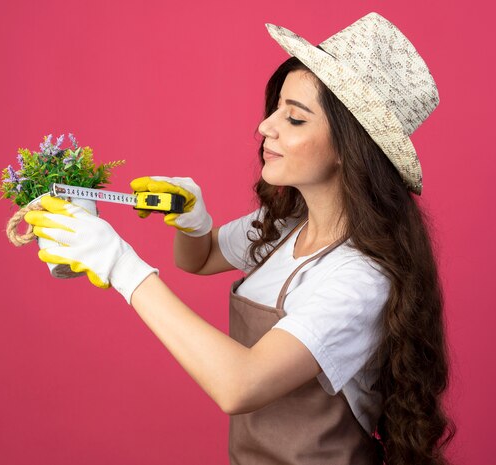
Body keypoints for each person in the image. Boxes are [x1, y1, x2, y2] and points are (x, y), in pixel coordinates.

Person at [25, 11, 454, 465]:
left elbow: (240, 384)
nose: (266, 127)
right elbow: (201, 257)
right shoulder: (286, 226)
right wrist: (191, 222)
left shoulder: (359, 279)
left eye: (295, 119)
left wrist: (120, 264)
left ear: (350, 150)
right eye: (276, 109)